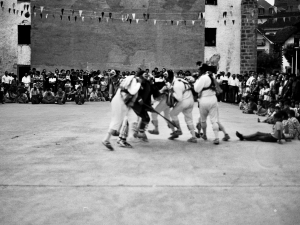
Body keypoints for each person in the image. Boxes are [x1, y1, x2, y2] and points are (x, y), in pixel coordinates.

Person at [102, 73, 141, 151]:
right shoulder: (133, 84)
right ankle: (107, 139)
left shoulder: (127, 82)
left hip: (120, 103)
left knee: (129, 119)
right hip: (120, 105)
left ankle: (125, 137)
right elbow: (131, 95)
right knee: (117, 122)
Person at [194, 71, 230, 145]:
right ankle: (218, 137)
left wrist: (196, 82)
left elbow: (196, 89)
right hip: (213, 99)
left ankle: (204, 134)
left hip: (204, 100)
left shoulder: (202, 78)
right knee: (215, 120)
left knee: (202, 120)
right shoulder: (213, 79)